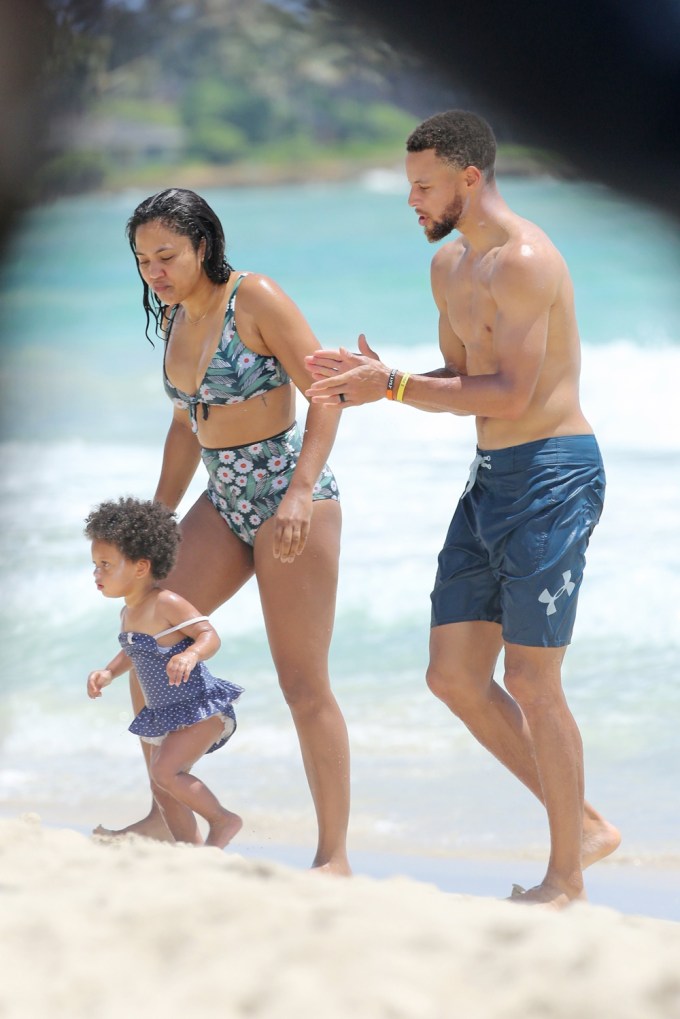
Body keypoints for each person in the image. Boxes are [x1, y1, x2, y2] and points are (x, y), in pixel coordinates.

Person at [306, 110, 621, 907]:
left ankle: (567, 878)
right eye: (410, 185)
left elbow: (514, 392)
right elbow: (461, 383)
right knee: (453, 675)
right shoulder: (450, 268)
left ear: (469, 179)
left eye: (423, 186)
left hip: (554, 473)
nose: (412, 199)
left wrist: (396, 388)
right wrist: (384, 381)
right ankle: (583, 823)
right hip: (491, 476)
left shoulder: (525, 261)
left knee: (531, 677)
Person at [98, 188, 350, 874]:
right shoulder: (177, 316)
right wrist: (155, 520)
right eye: (144, 259)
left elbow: (327, 391)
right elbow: (188, 424)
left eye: (167, 255)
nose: (155, 270)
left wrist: (300, 491)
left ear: (203, 245)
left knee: (304, 681)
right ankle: (166, 816)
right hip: (224, 492)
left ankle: (333, 857)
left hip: (288, 496)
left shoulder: (256, 297)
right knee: (145, 632)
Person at [85, 497, 244, 848]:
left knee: (163, 771)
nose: (97, 574)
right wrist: (109, 672)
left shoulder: (166, 602)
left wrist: (191, 655)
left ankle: (223, 820)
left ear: (141, 567)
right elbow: (134, 651)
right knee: (164, 786)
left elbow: (209, 635)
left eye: (106, 565)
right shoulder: (128, 614)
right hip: (167, 714)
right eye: (95, 565)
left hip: (200, 709)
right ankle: (191, 849)